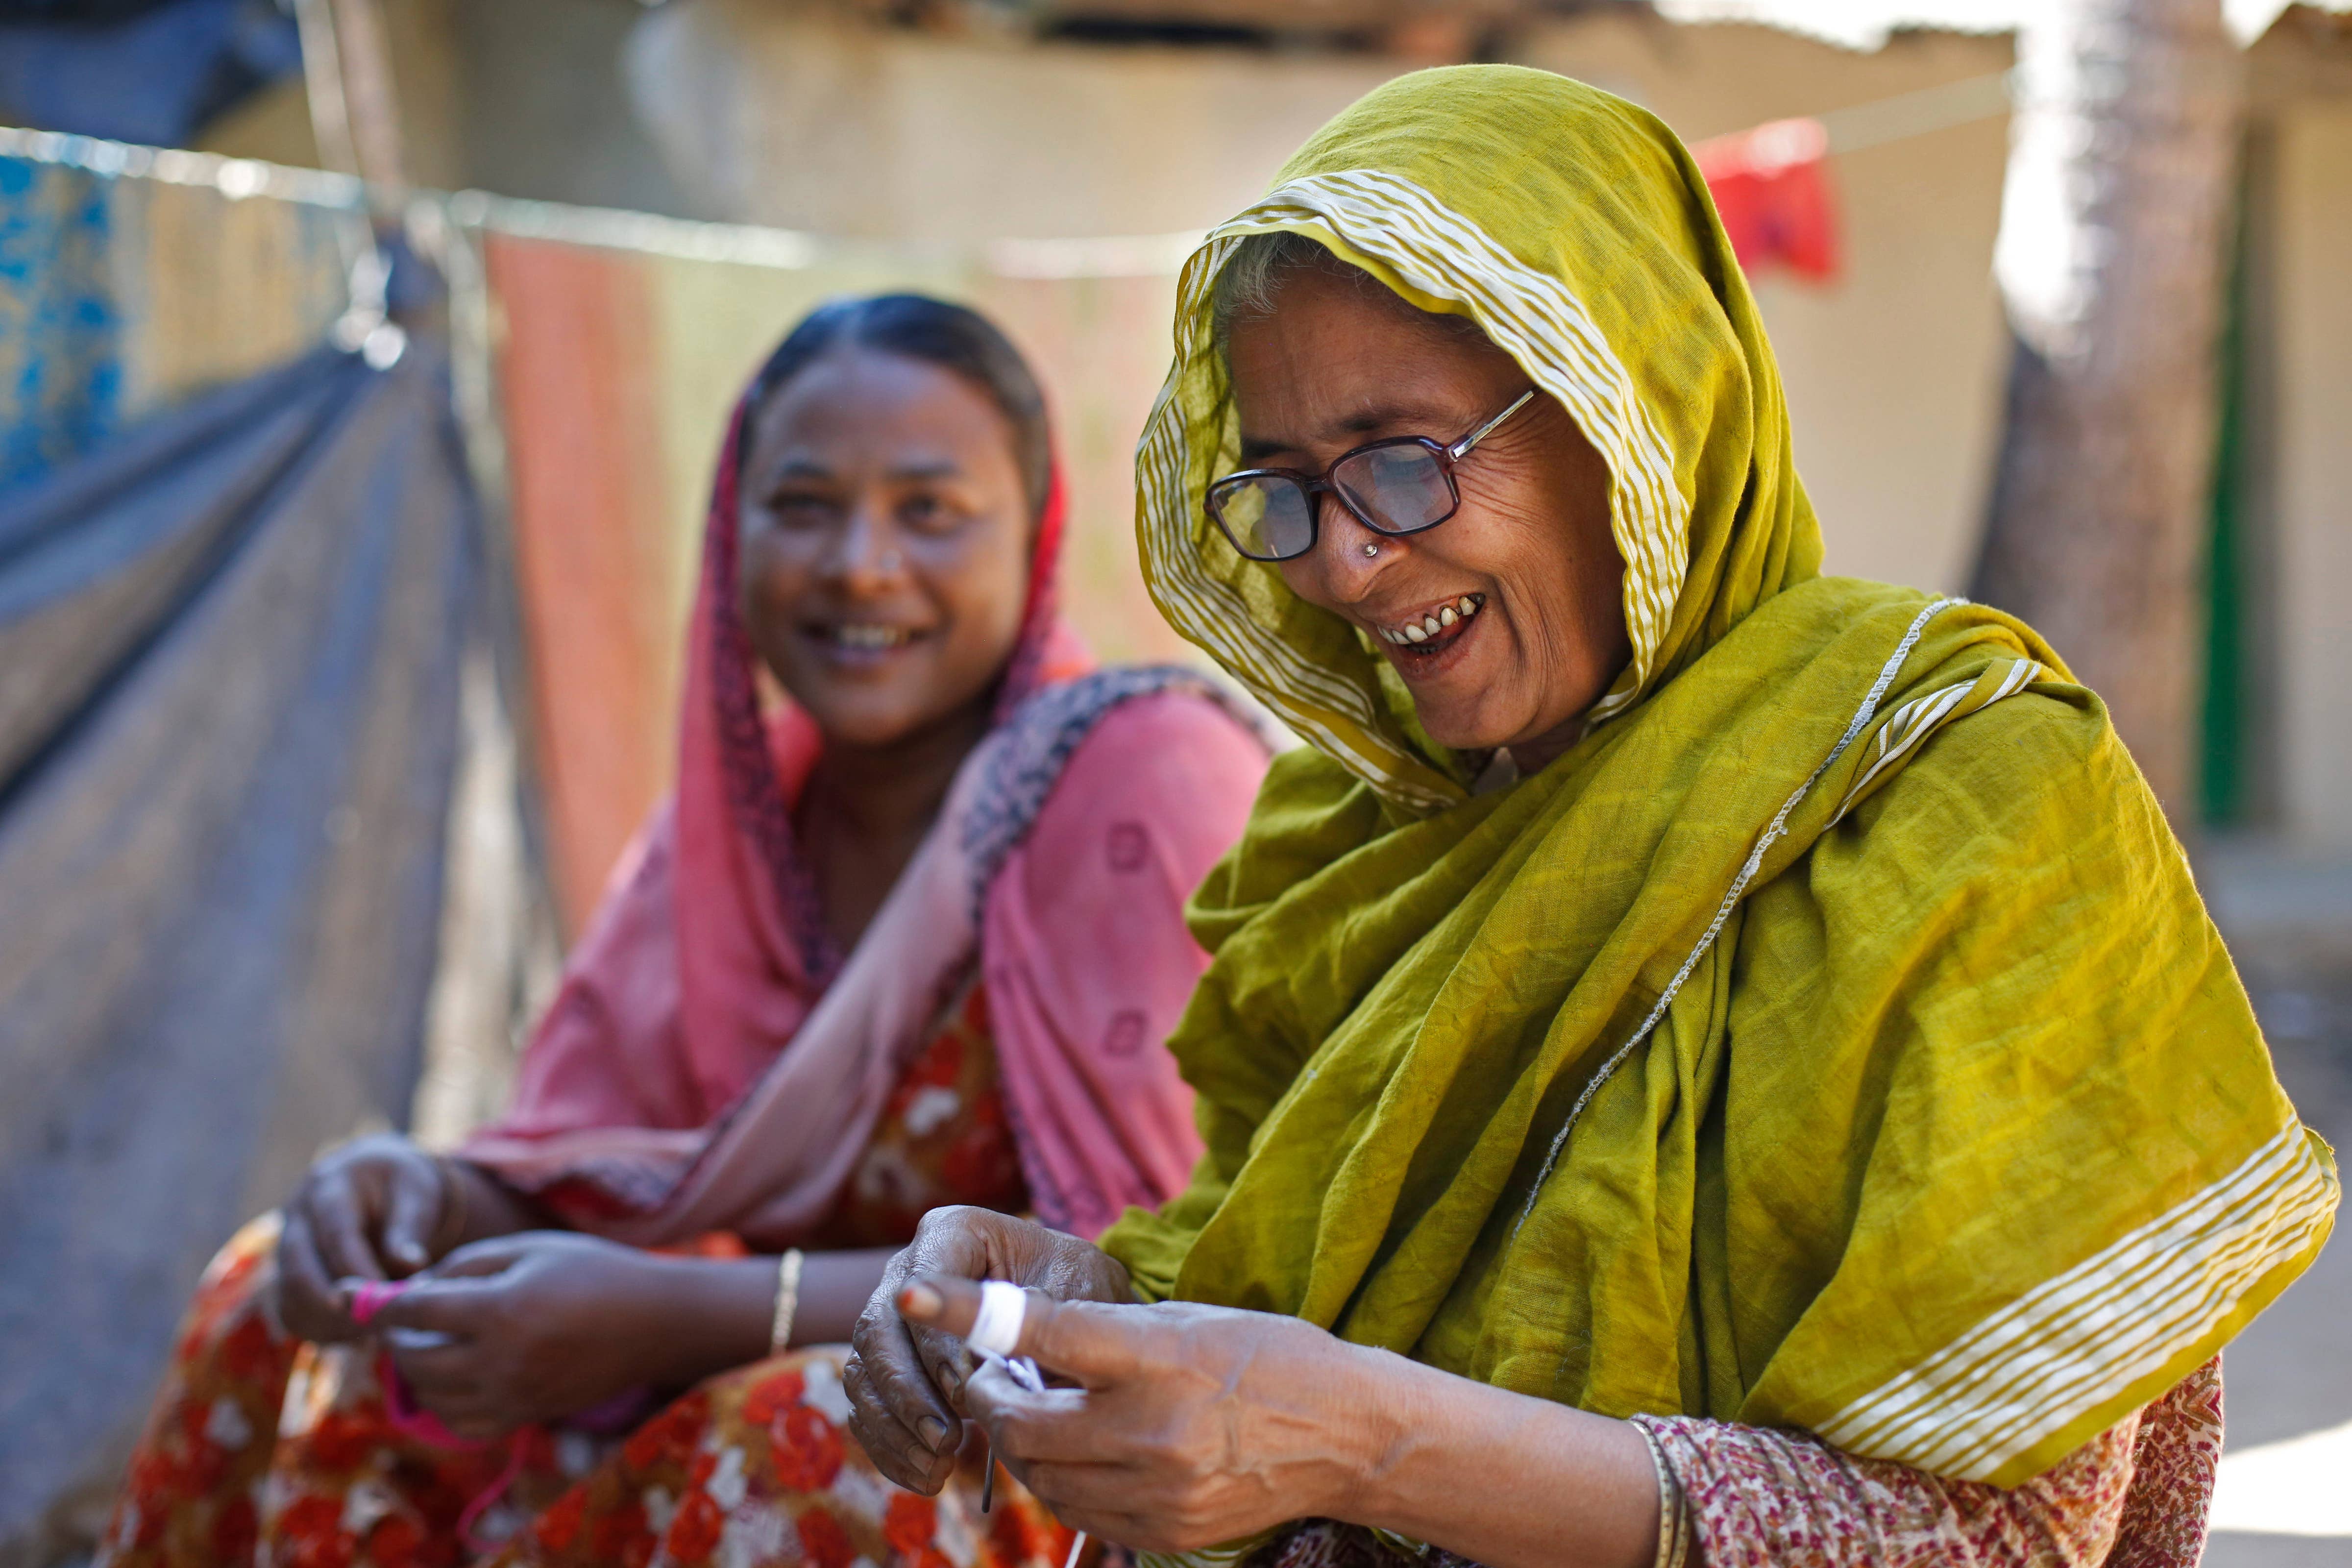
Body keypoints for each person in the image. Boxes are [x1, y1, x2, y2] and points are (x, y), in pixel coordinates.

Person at [842, 68, 2339, 1568]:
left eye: (1402, 460)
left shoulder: (1969, 797)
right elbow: (1285, 1284)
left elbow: (2003, 1537)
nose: (1349, 564)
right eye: (1289, 490)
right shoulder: (1363, 831)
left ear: (1631, 406)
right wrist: (1079, 1307)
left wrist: (1366, 1443)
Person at [98, 294, 1270, 1568]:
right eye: (806, 505)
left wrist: (685, 1316)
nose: (861, 565)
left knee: (807, 1435)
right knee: (277, 1295)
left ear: (1032, 539)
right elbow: (596, 1165)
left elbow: (1149, 1279)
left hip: (1054, 1443)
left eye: (930, 511)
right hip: (724, 1355)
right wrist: (421, 1194)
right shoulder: (743, 834)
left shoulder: (1132, 787)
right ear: (733, 533)